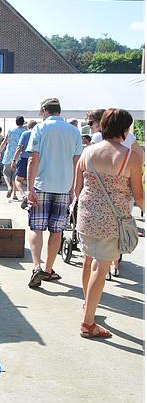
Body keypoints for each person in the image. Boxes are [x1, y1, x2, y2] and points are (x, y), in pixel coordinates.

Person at [74, 109, 144, 338]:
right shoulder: (131, 155)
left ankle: (88, 306)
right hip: (111, 220)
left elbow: (77, 189)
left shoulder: (88, 152)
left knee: (88, 261)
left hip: (85, 215)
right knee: (101, 267)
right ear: (125, 130)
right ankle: (88, 323)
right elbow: (138, 194)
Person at [25, 98, 83, 289]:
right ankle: (48, 270)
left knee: (36, 227)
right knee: (56, 230)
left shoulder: (40, 129)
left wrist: (29, 188)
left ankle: (36, 267)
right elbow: (77, 163)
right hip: (64, 186)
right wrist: (74, 188)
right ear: (59, 110)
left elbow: (33, 159)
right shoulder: (74, 131)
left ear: (44, 110)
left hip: (42, 184)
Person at [0, 116, 27, 200]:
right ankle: (14, 194)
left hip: (9, 154)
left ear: (16, 122)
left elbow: (5, 142)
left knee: (6, 172)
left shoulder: (11, 130)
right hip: (19, 155)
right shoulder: (25, 132)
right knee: (15, 176)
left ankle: (9, 187)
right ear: (23, 122)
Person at [11, 121, 38, 208]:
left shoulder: (25, 134)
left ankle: (23, 195)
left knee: (18, 180)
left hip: (24, 159)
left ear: (28, 127)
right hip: (36, 159)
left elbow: (19, 148)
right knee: (33, 180)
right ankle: (31, 195)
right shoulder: (39, 133)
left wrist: (14, 160)